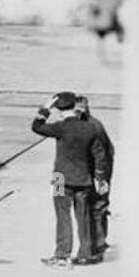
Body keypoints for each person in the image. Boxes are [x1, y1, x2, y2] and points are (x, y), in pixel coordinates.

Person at [31, 91, 109, 267]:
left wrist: (45, 109)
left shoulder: (60, 127)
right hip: (84, 178)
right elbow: (100, 155)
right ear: (75, 106)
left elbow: (36, 126)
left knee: (62, 215)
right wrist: (100, 177)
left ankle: (62, 255)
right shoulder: (90, 128)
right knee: (84, 216)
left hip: (59, 177)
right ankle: (85, 254)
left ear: (58, 110)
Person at [75, 95, 114, 260]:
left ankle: (97, 247)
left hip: (98, 171)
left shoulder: (92, 126)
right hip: (91, 171)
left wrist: (101, 178)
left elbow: (103, 154)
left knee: (97, 207)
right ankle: (98, 243)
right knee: (96, 207)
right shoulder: (83, 125)